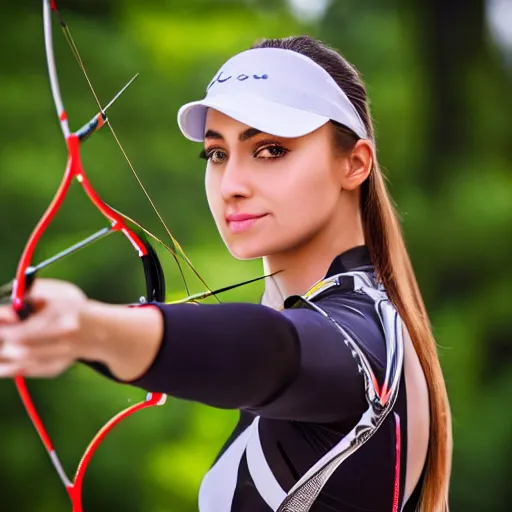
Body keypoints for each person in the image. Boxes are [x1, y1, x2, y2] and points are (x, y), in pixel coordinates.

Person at [0, 36, 452, 511]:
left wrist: (89, 328)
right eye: (216, 154)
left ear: (354, 163)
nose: (232, 185)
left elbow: (271, 351)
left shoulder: (363, 335)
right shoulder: (368, 319)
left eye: (271, 150)